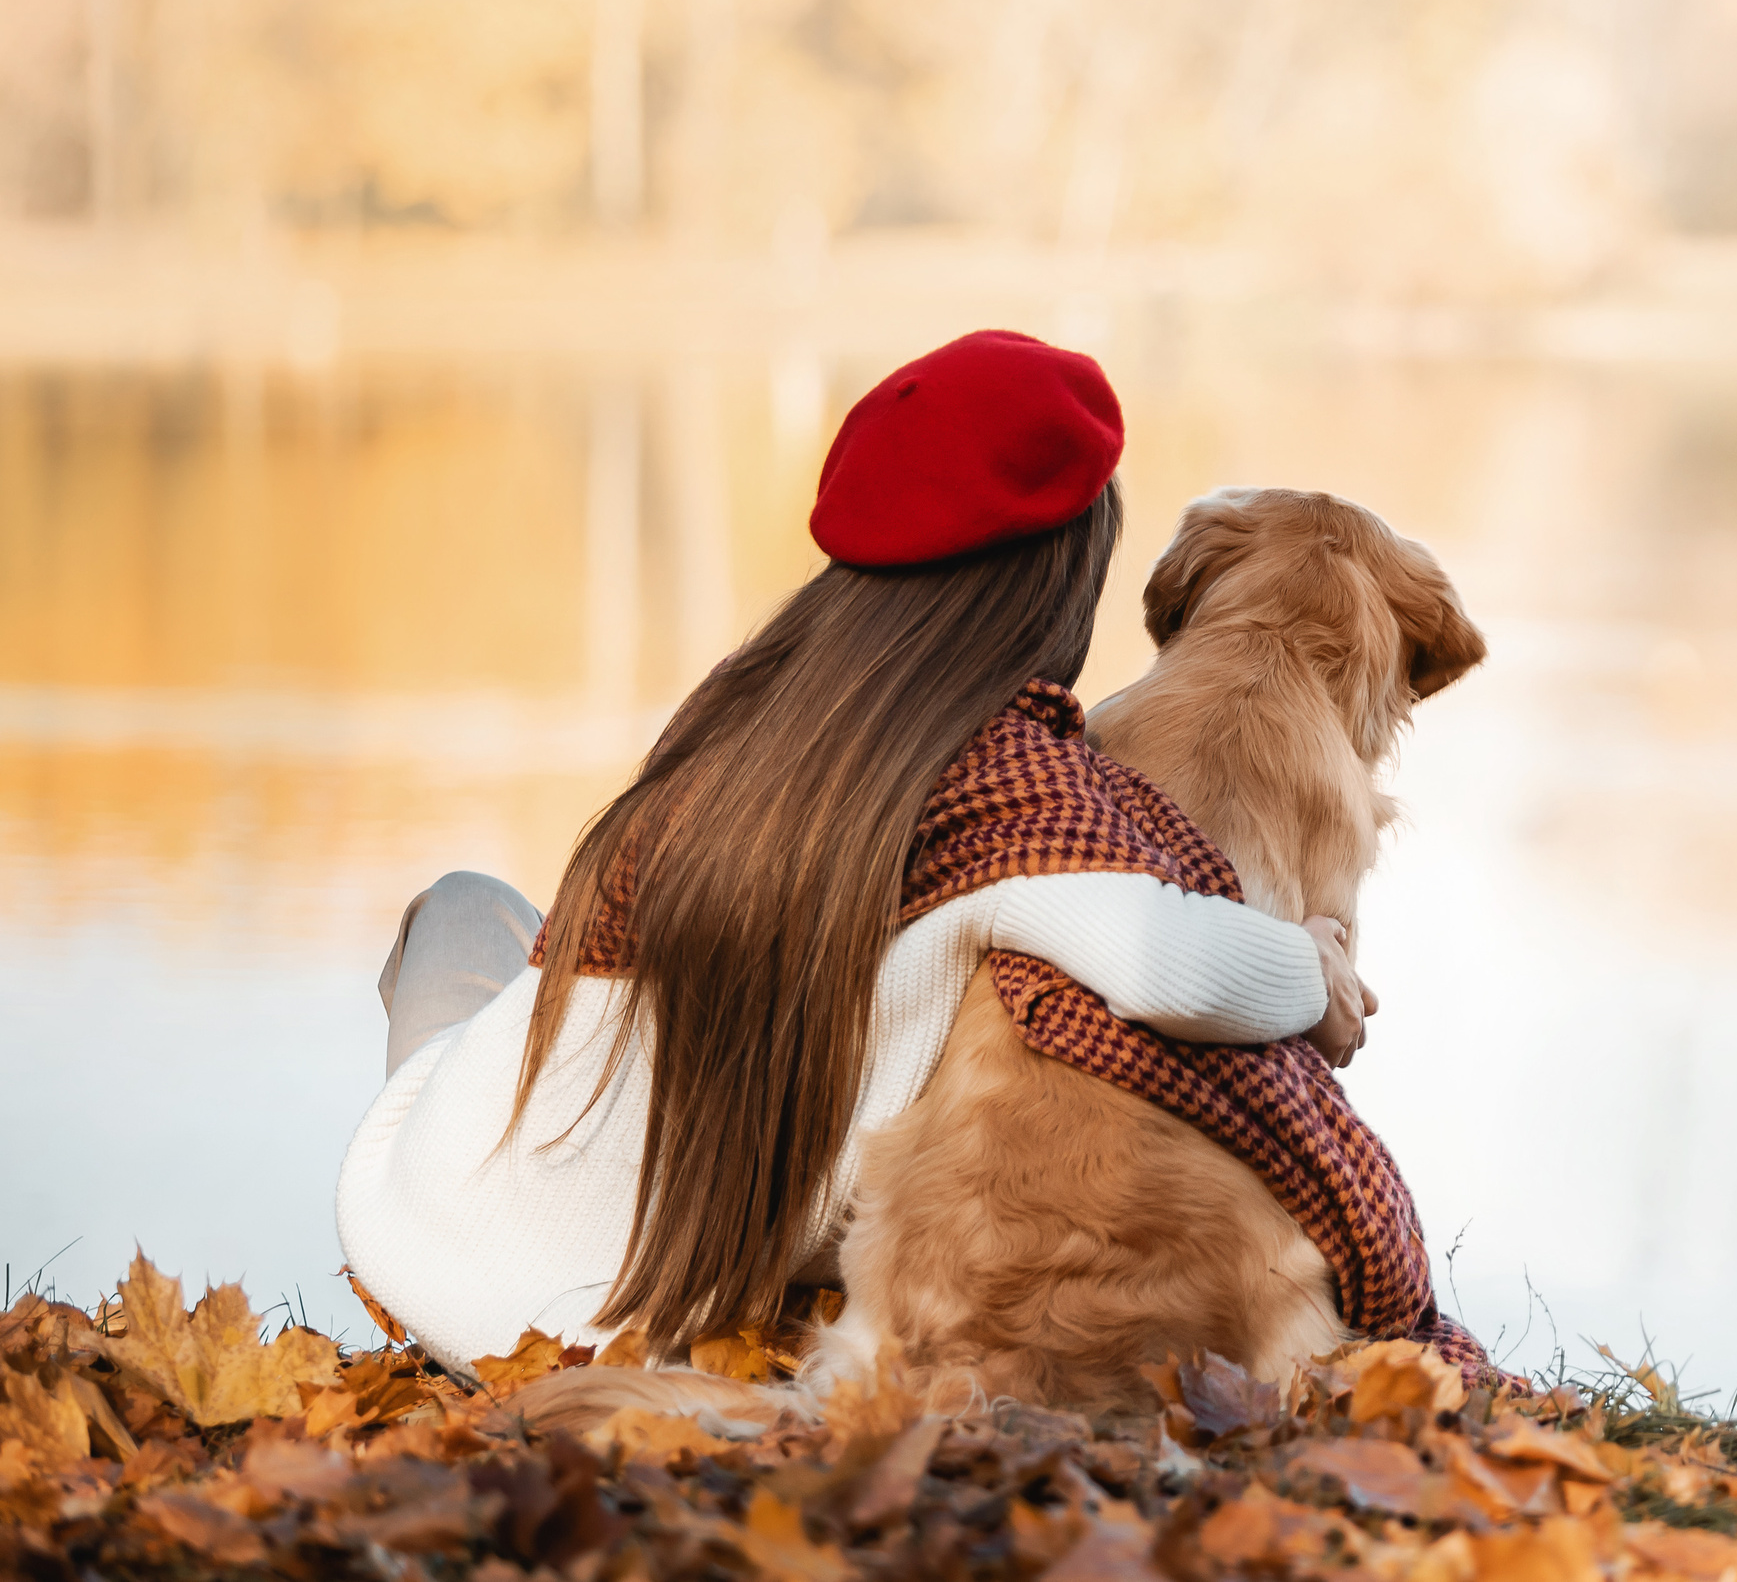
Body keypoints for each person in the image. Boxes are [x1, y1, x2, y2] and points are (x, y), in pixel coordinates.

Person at [338, 330, 1374, 1372]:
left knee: (462, 907)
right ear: (1067, 571)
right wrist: (1312, 969)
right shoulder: (1015, 787)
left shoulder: (750, 696)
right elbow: (1167, 963)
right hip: (586, 1329)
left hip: (413, 1222)